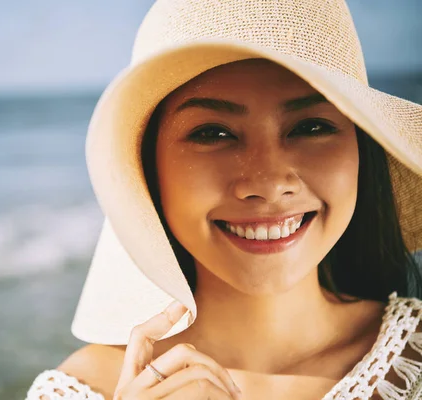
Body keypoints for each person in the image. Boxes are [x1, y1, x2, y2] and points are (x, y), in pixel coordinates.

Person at [25, 0, 422, 398]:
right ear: (148, 167)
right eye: (213, 133)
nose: (268, 183)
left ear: (361, 152)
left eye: (311, 126)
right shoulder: (79, 389)